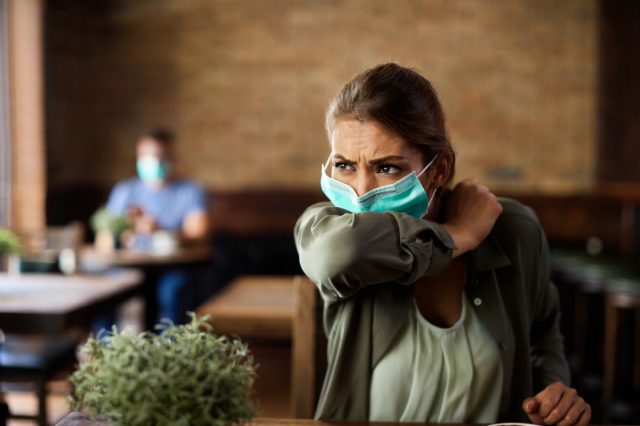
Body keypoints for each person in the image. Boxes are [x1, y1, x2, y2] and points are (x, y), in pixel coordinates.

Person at [294, 63, 591, 425]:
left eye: (387, 168)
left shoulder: (513, 231)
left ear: (439, 169)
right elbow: (345, 252)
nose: (360, 192)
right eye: (344, 165)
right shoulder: (325, 227)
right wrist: (458, 236)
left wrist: (556, 393)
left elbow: (543, 335)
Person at [106, 128, 209, 324]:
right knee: (104, 294)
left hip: (174, 267)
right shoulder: (124, 191)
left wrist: (160, 230)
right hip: (129, 268)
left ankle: (168, 351)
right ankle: (107, 350)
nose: (154, 162)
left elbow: (199, 234)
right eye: (148, 156)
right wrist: (125, 231)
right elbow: (104, 239)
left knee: (173, 290)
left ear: (172, 157)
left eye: (162, 156)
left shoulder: (189, 190)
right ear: (138, 157)